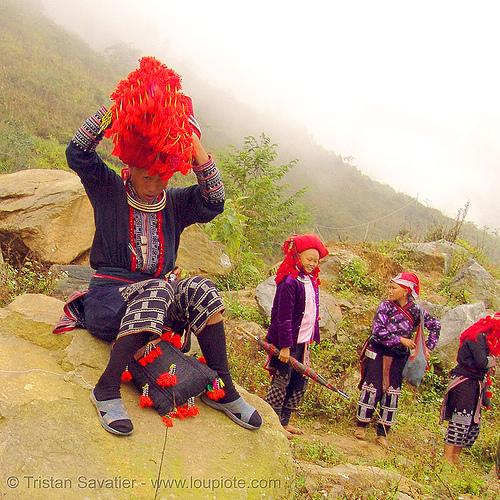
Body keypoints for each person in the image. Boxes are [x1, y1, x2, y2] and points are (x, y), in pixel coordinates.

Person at [57, 57, 262, 435]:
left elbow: (214, 201)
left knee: (202, 289)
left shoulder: (176, 203)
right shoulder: (108, 189)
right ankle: (105, 389)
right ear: (130, 165)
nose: (155, 183)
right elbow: (77, 153)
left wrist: (193, 143)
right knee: (158, 288)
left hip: (158, 301)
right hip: (108, 301)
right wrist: (117, 109)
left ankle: (223, 388)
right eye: (147, 174)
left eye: (162, 175)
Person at [355, 272, 441, 448]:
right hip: (377, 352)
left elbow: (435, 326)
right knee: (373, 388)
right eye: (390, 287)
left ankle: (383, 432)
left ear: (406, 290)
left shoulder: (417, 311)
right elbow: (377, 331)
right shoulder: (385, 306)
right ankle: (361, 425)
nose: (390, 291)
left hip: (399, 358)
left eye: (394, 288)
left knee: (392, 392)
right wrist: (401, 339)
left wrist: (426, 348)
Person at [265, 233, 329, 439]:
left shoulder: (311, 281)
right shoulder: (289, 282)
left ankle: (285, 420)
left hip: (304, 342)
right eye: (308, 259)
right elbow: (283, 317)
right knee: (282, 380)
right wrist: (285, 346)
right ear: (297, 257)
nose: (312, 264)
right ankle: (274, 420)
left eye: (315, 261)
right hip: (288, 342)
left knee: (299, 382)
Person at [440, 314, 499, 466]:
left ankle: (456, 458)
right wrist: (493, 360)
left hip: (475, 384)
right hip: (464, 383)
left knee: (469, 422)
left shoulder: (484, 340)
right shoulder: (476, 338)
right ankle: (447, 458)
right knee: (460, 419)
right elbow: (482, 362)